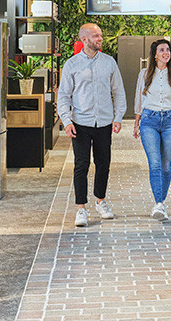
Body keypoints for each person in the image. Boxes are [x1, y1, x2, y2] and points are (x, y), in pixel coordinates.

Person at [56, 23, 127, 227]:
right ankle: (81, 209)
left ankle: (101, 201)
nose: (100, 39)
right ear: (84, 39)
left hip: (104, 122)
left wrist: (118, 116)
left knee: (103, 163)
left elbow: (119, 92)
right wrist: (66, 120)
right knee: (81, 165)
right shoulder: (72, 64)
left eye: (101, 35)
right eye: (96, 36)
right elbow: (63, 96)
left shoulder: (109, 63)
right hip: (80, 123)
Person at [133, 39, 171, 221]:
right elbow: (139, 99)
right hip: (149, 121)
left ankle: (161, 203)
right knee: (155, 163)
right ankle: (158, 203)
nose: (166, 53)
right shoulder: (145, 74)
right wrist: (136, 123)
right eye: (162, 50)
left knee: (166, 165)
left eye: (168, 50)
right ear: (155, 55)